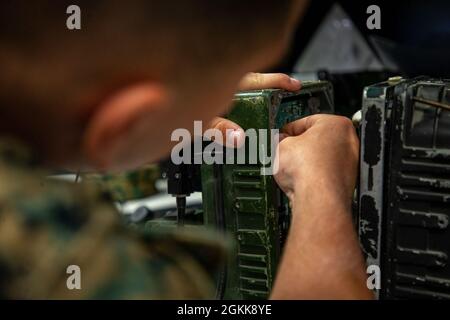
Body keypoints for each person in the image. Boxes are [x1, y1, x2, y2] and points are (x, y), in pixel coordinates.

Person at [0, 0, 372, 299]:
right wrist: (321, 191)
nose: (231, 99)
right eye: (230, 90)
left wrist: (185, 97)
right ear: (127, 123)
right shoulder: (57, 259)